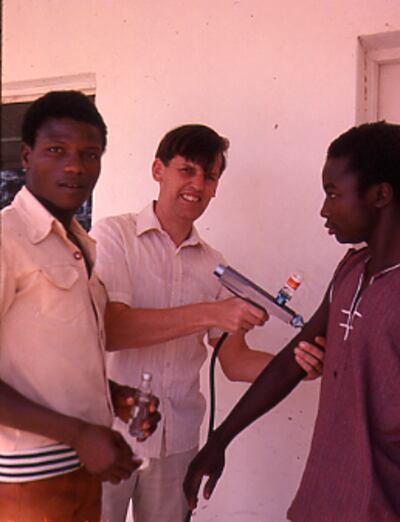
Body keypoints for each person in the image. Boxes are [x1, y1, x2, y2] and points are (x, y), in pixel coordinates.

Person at [91, 124, 325, 522]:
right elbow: (114, 330)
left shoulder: (214, 264)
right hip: (106, 433)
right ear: (158, 170)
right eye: (187, 170)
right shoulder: (115, 236)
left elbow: (235, 362)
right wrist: (212, 313)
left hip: (176, 443)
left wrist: (297, 366)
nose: (197, 185)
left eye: (209, 176)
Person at [184, 121, 400, 522]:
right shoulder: (351, 270)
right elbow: (291, 361)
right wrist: (220, 439)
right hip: (325, 497)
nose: (324, 209)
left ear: (380, 195)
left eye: (333, 194)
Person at [0, 90, 159, 522]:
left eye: (89, 154)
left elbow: (49, 360)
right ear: (27, 156)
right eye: (57, 150)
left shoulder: (79, 245)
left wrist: (113, 397)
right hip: (23, 484)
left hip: (81, 473)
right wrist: (79, 434)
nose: (75, 166)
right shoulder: (7, 240)